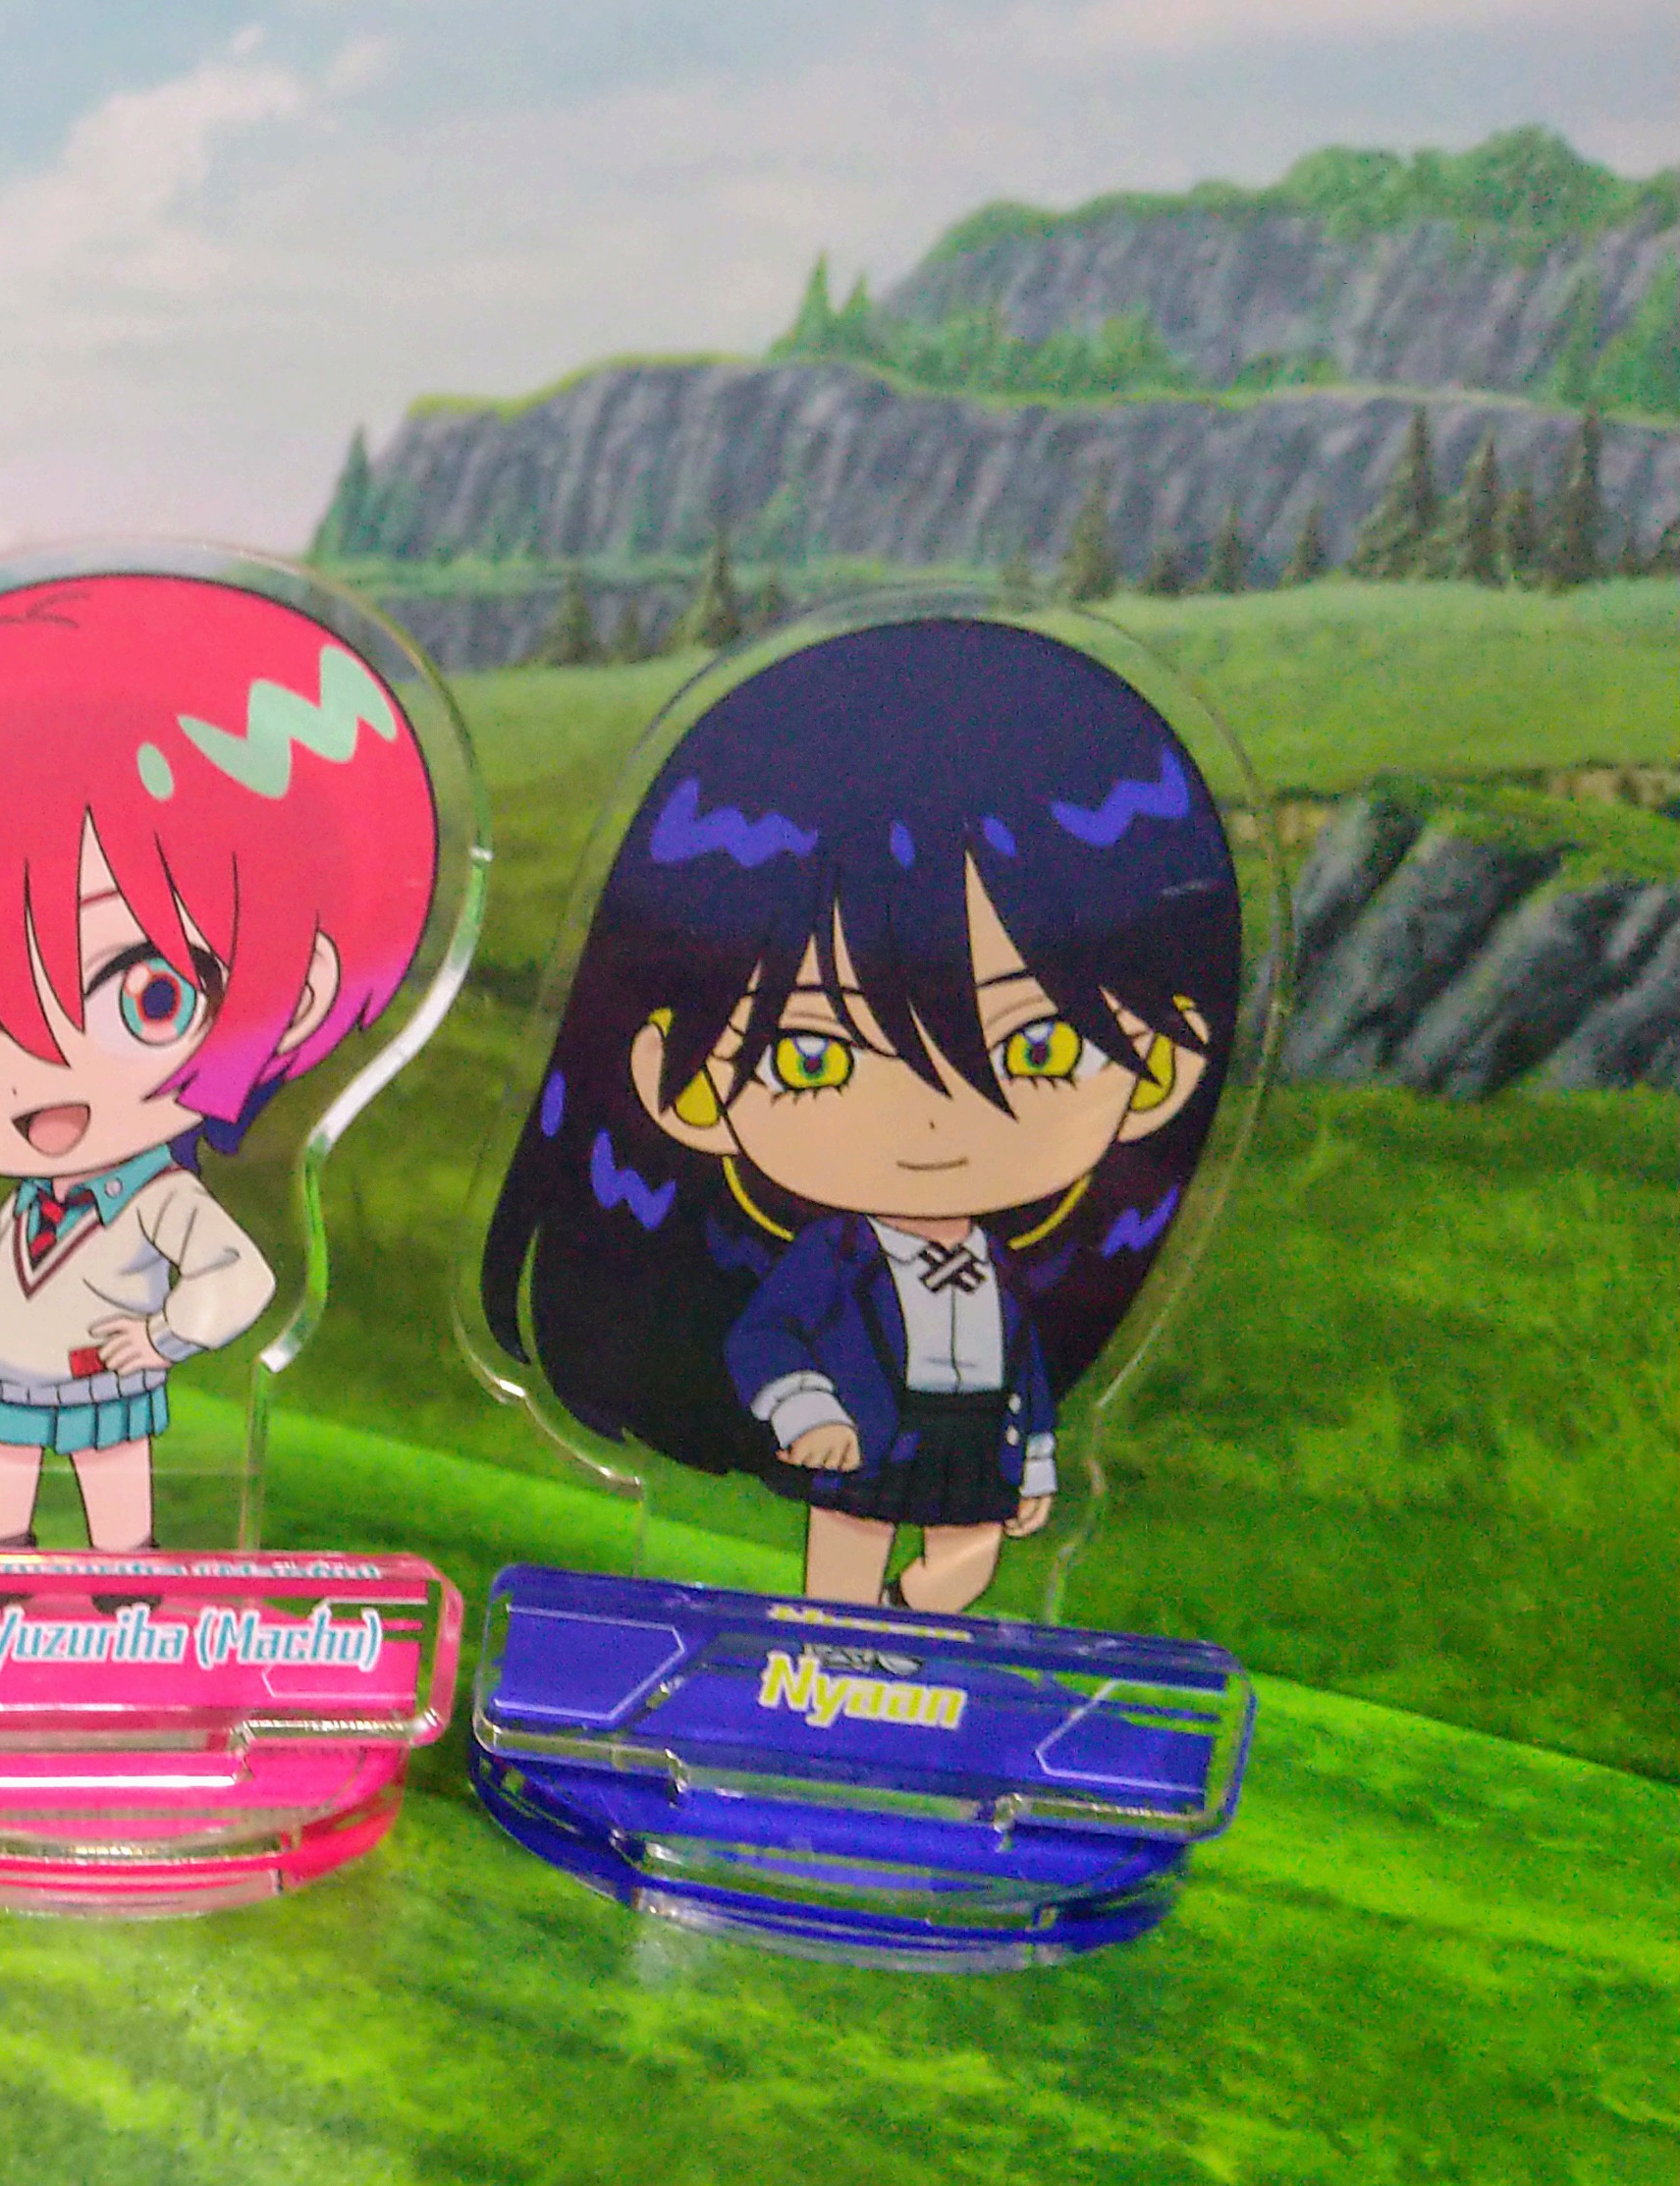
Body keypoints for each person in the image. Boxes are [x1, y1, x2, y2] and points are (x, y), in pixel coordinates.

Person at [477, 614, 1239, 1611]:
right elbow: (766, 1338)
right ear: (680, 1086)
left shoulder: (1002, 1275)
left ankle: (905, 1636)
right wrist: (806, 1411)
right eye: (814, 1057)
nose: (931, 1120)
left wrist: (1034, 1466)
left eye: (1038, 1051)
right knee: (846, 1542)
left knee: (964, 1556)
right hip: (866, 1436)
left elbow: (1028, 1376)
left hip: (970, 1439)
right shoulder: (833, 1258)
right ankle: (833, 1639)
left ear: (1167, 1064)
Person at [0, 571, 442, 1550]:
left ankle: (125, 1578)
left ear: (294, 994)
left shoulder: (157, 1198)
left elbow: (239, 1276)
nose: (36, 1080)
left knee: (113, 1478)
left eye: (148, 996)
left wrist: (165, 1336)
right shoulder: (26, 1207)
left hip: (102, 1376)